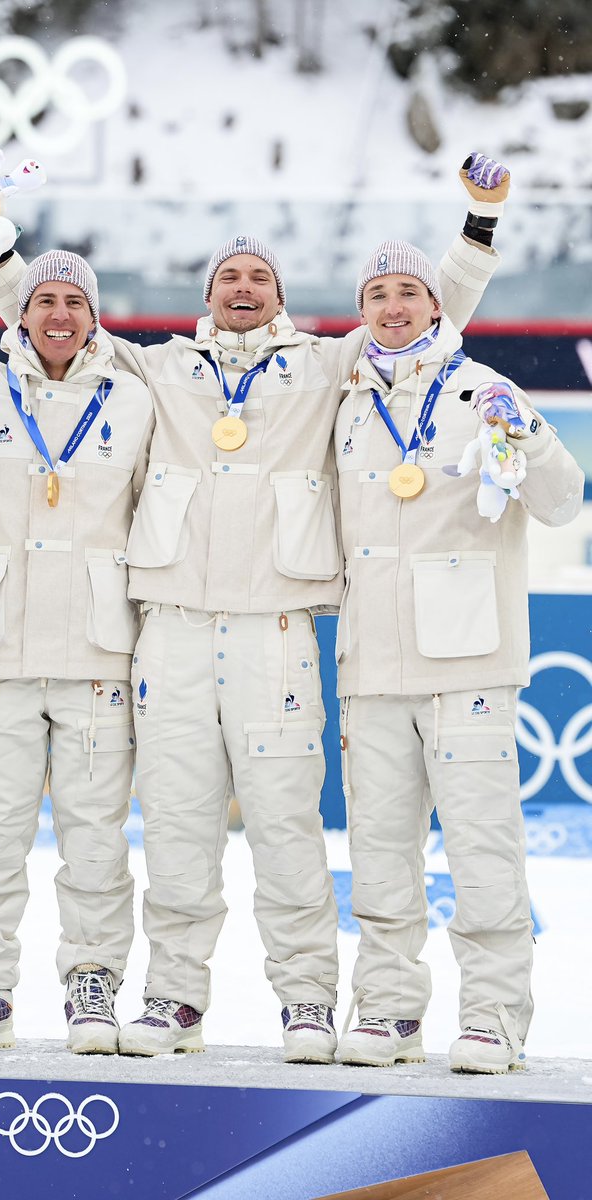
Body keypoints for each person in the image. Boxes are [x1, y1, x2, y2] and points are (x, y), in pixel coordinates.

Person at [0, 155, 507, 1060]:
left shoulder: (326, 364)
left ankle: (306, 1000)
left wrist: (478, 225)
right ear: (208, 293)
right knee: (177, 830)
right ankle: (175, 999)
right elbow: (56, 322)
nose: (245, 287)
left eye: (260, 277)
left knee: (287, 830)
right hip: (172, 635)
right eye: (230, 276)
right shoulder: (158, 369)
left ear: (282, 294)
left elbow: (427, 312)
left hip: (276, 638)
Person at [332, 240, 583, 1073]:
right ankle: (391, 1009)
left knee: (482, 851)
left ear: (438, 305)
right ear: (361, 309)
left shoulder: (487, 392)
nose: (394, 306)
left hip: (468, 667)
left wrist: (531, 437)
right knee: (379, 856)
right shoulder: (343, 399)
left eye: (410, 291)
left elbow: (561, 502)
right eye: (378, 293)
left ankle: (494, 1017)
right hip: (370, 667)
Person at [0, 251, 154, 1054]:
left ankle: (91, 983)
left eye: (74, 302)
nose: (59, 315)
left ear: (95, 317)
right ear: (19, 314)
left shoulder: (134, 400)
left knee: (95, 833)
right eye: (44, 301)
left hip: (99, 648)